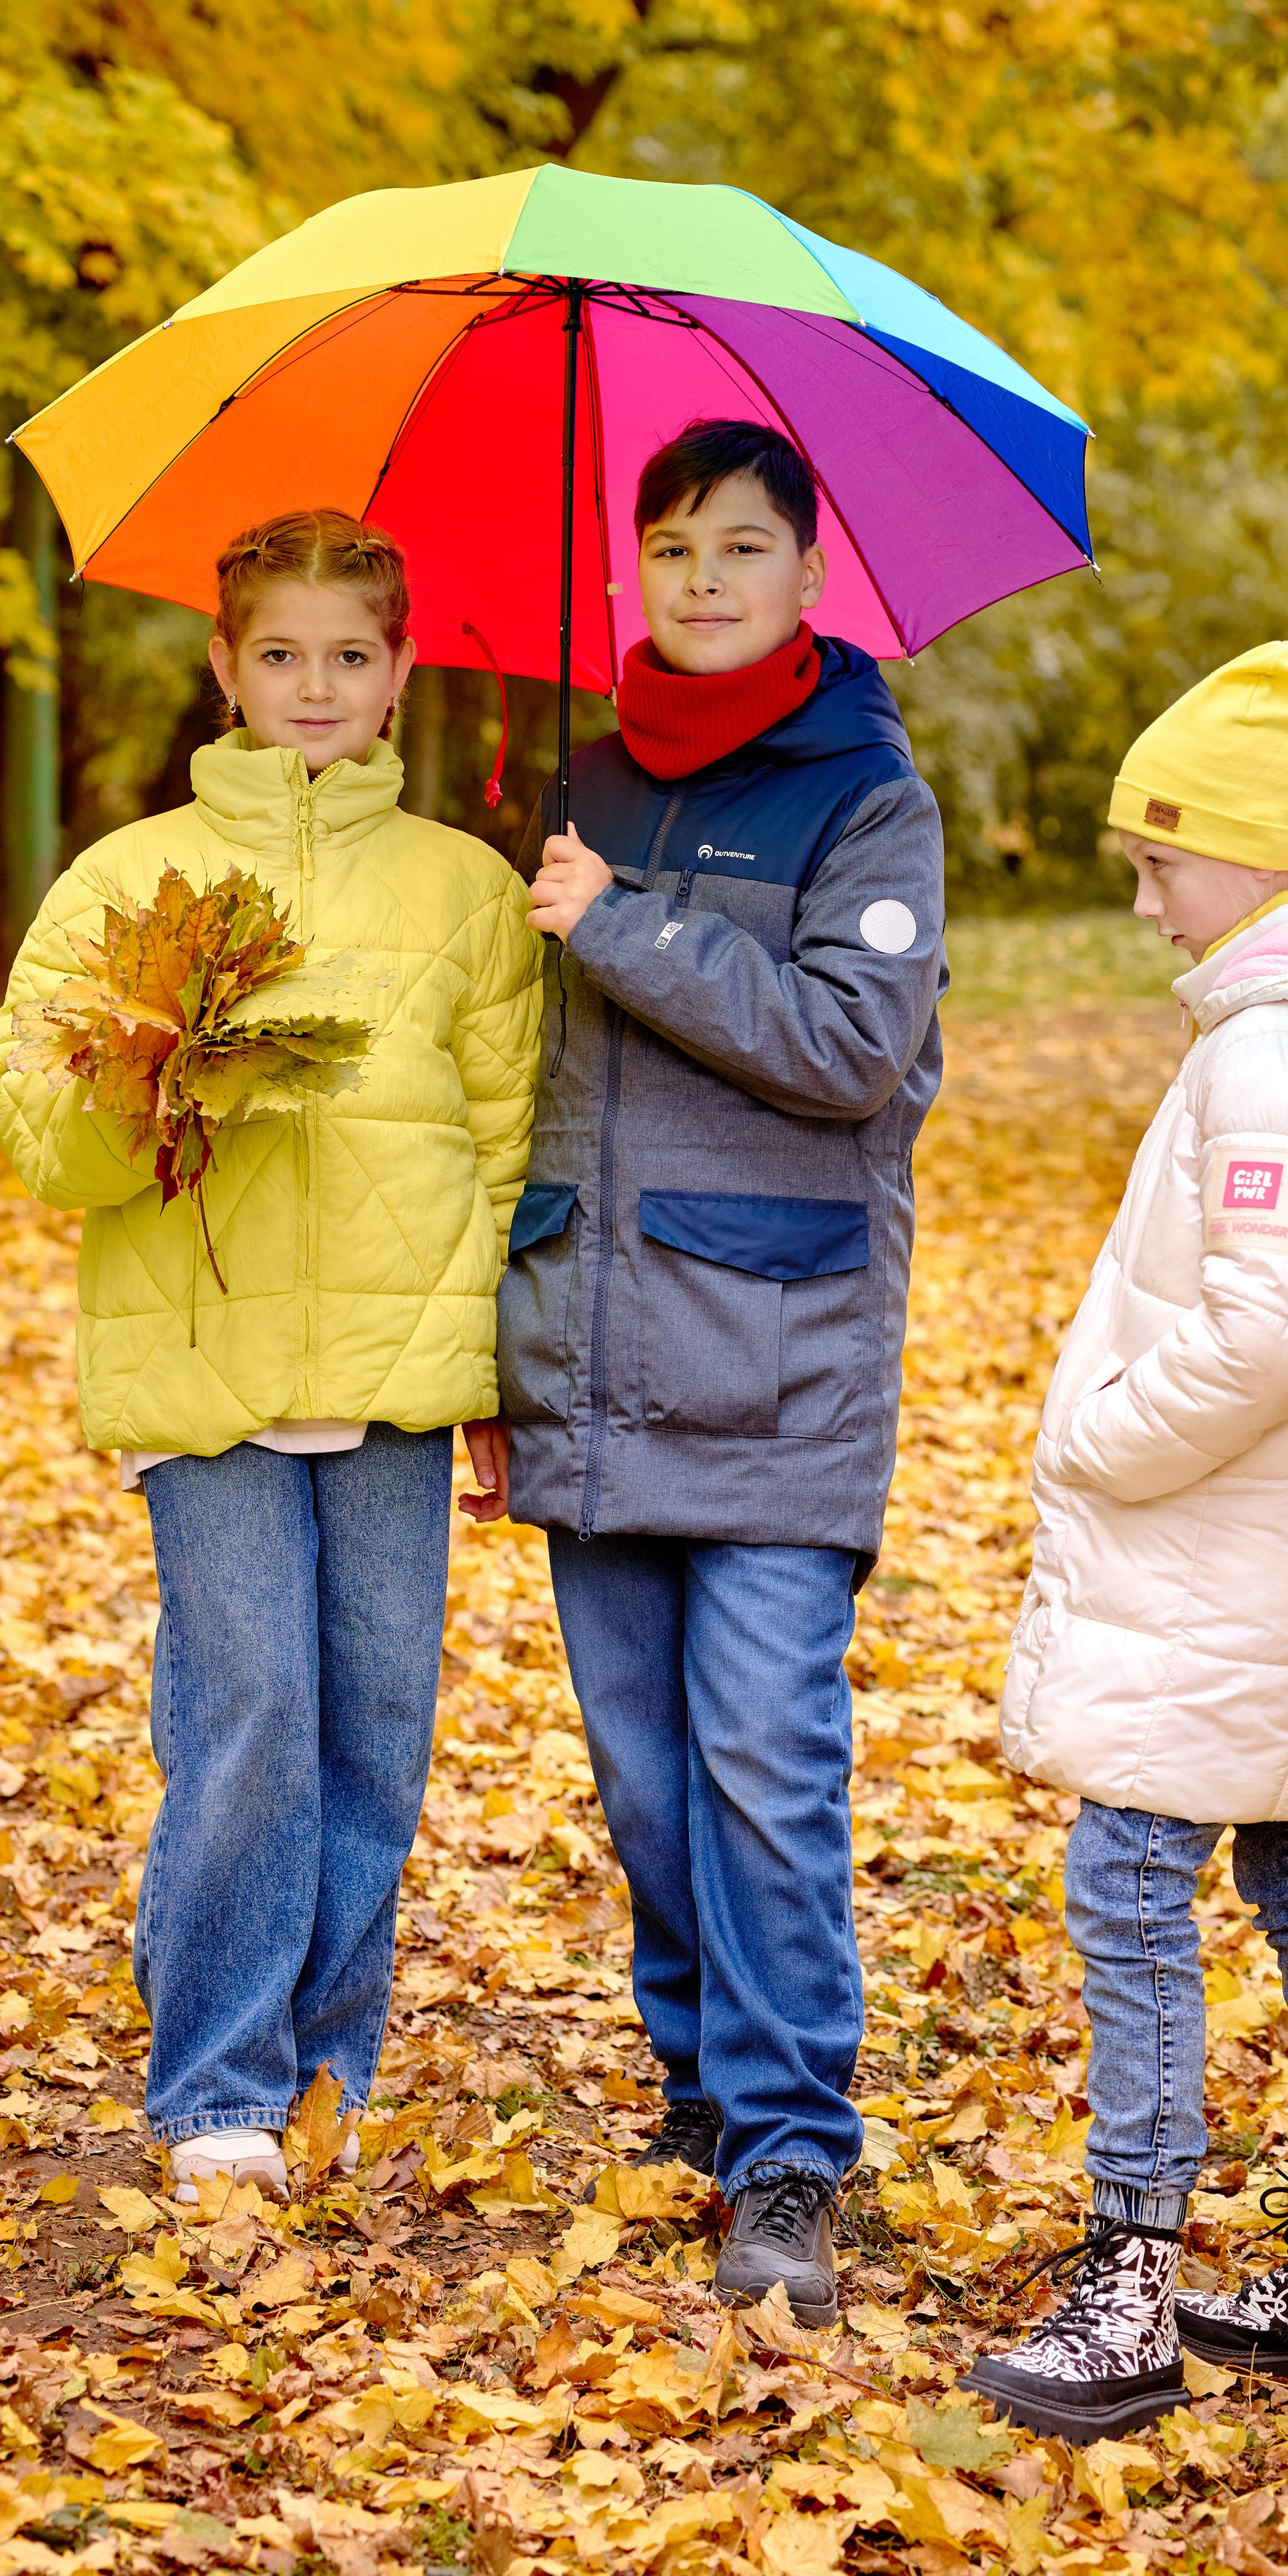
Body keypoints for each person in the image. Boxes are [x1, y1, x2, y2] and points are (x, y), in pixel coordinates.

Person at [967, 641, 1288, 2442]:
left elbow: (1267, 1328)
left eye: (1158, 860)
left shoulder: (1273, 1046)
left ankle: (1126, 2280)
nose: (1140, 900)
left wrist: (1098, 1439)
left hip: (1227, 1550)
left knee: (1127, 1879)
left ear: (1255, 857)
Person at [0, 510, 540, 2205]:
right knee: (249, 1719)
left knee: (370, 1732)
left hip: (394, 1373)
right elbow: (31, 1122)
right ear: (224, 665)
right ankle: (214, 2075)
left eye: (349, 656)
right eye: (280, 654)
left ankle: (319, 2069)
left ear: (400, 672)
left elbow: (512, 1149)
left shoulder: (464, 889)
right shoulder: (128, 881)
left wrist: (505, 1372)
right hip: (203, 1365)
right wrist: (146, 1090)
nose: (314, 686)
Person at [496, 418, 947, 2325]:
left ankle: (786, 2148)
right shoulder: (582, 773)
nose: (701, 579)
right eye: (670, 546)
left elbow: (849, 1047)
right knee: (646, 1776)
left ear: (809, 575)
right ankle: (698, 2079)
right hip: (593, 1354)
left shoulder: (868, 799)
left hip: (777, 1362)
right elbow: (530, 1077)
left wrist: (620, 922)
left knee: (763, 1763)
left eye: (740, 546)